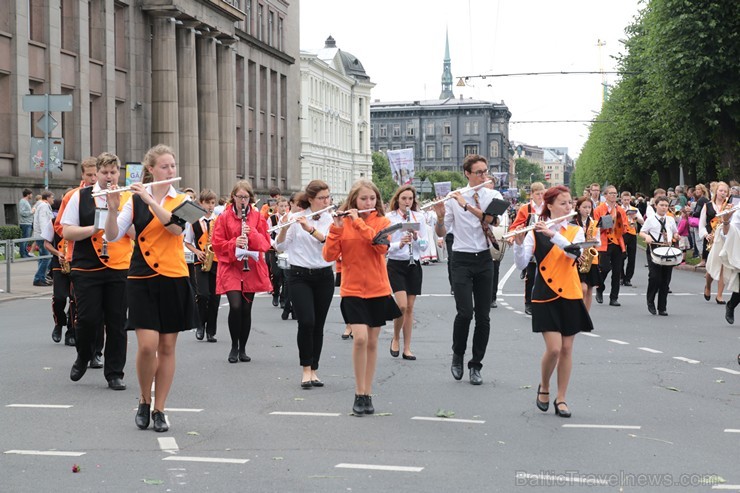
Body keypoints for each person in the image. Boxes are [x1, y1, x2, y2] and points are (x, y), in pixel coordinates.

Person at [104, 144, 197, 432]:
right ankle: (144, 400)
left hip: (173, 277)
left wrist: (150, 200)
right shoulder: (133, 202)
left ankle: (160, 409)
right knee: (147, 346)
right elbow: (112, 234)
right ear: (151, 170)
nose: (170, 171)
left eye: (173, 166)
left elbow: (176, 229)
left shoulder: (184, 200)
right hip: (142, 278)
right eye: (165, 166)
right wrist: (112, 208)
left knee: (167, 347)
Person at [513, 185, 593, 419]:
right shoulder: (534, 231)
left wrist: (552, 234)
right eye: (563, 203)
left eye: (570, 203)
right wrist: (518, 243)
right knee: (554, 348)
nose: (569, 207)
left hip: (569, 292)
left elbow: (573, 253)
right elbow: (521, 264)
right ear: (549, 206)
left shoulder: (576, 230)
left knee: (567, 348)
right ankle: (544, 386)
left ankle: (562, 398)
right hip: (544, 292)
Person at [323, 179, 401, 414]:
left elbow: (380, 247)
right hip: (352, 289)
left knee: (373, 342)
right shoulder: (341, 223)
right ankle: (359, 392)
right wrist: (336, 228)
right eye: (363, 199)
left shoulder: (383, 222)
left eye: (372, 199)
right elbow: (328, 256)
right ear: (353, 201)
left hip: (378, 288)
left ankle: (368, 393)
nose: (368, 202)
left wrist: (358, 222)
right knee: (360, 339)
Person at [62, 152, 132, 392]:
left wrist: (115, 212)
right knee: (88, 319)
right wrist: (94, 228)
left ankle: (114, 373)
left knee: (116, 322)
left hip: (119, 266)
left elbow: (134, 233)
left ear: (119, 172)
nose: (109, 177)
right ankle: (83, 355)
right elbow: (67, 232)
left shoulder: (127, 197)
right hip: (86, 266)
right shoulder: (79, 197)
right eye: (105, 172)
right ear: (97, 174)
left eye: (114, 172)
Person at [433, 155, 498, 386]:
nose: (483, 176)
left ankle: (476, 364)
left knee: (484, 316)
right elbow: (442, 232)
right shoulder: (453, 198)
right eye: (478, 172)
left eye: (485, 171)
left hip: (484, 259)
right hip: (461, 259)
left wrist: (466, 205)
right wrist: (440, 217)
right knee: (465, 313)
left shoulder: (493, 195)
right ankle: (458, 354)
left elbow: (492, 220)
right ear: (467, 174)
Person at [275, 180, 335, 388]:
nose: (326, 201)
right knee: (306, 321)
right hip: (299, 276)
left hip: (324, 276)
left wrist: (309, 229)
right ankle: (305, 369)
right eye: (322, 198)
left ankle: (315, 370)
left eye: (328, 197)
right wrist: (285, 226)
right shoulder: (296, 217)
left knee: (318, 324)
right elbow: (279, 246)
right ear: (311, 199)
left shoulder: (331, 219)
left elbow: (328, 242)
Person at [211, 180, 272, 364]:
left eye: (246, 197)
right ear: (233, 197)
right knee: (236, 306)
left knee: (246, 309)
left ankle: (243, 348)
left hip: (250, 267)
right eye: (239, 197)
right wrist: (233, 243)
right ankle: (233, 346)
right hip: (231, 265)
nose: (242, 200)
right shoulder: (224, 217)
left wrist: (251, 232)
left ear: (250, 198)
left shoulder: (257, 217)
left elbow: (265, 244)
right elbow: (217, 244)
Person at [385, 185, 427, 361]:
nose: (407, 202)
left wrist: (416, 237)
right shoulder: (389, 218)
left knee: (409, 308)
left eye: (410, 199)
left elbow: (425, 246)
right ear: (397, 200)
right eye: (404, 199)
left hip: (413, 264)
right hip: (395, 264)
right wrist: (399, 244)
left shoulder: (419, 217)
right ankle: (396, 338)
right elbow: (385, 246)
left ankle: (407, 347)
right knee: (401, 305)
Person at [185, 189, 221, 343]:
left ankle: (211, 331)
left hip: (217, 261)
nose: (210, 206)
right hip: (201, 260)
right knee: (202, 294)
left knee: (215, 297)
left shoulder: (219, 220)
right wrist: (197, 252)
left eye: (213, 203)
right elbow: (187, 241)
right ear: (201, 203)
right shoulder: (194, 221)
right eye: (207, 203)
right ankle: (200, 325)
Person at [509, 182, 545, 315]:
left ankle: (541, 302)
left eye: (542, 193)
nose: (540, 196)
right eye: (537, 194)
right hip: (530, 244)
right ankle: (528, 303)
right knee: (530, 276)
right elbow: (515, 225)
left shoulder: (548, 208)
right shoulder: (526, 208)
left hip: (544, 244)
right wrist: (514, 236)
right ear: (532, 195)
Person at [640, 196, 680, 316]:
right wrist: (646, 237)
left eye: (666, 206)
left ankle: (662, 307)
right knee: (654, 277)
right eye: (661, 205)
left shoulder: (670, 219)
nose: (664, 208)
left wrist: (676, 236)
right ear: (656, 206)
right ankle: (650, 301)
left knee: (666, 279)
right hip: (654, 249)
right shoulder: (650, 219)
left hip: (667, 249)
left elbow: (675, 231)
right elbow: (642, 232)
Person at [593, 185, 629, 306]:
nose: (614, 195)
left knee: (617, 271)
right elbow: (595, 227)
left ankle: (614, 298)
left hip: (617, 243)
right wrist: (607, 224)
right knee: (604, 268)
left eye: (615, 193)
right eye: (611, 193)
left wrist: (618, 225)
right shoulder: (599, 209)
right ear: (605, 195)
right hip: (604, 243)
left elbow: (625, 228)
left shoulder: (621, 210)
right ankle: (600, 287)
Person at [700, 181, 730, 304]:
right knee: (711, 268)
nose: (722, 193)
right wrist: (705, 235)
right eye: (720, 191)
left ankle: (719, 295)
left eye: (725, 191)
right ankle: (708, 286)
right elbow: (701, 224)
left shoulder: (729, 206)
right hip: (711, 239)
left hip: (725, 239)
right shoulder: (708, 205)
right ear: (716, 191)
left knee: (723, 266)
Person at [571, 196, 601, 310]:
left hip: (590, 258)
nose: (587, 210)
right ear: (578, 208)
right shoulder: (572, 223)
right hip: (578, 257)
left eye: (589, 207)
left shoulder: (594, 224)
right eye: (584, 207)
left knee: (589, 289)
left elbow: (599, 243)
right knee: (582, 288)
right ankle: (578, 313)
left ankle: (586, 317)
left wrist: (594, 241)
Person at [266, 197, 290, 307]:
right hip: (274, 249)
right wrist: (274, 245)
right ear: (277, 207)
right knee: (276, 274)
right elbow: (267, 234)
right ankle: (275, 293)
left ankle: (283, 299)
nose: (283, 208)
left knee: (285, 275)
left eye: (285, 206)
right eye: (281, 206)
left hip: (285, 250)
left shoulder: (290, 218)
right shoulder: (272, 219)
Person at [620, 191, 643, 286]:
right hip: (622, 234)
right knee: (621, 256)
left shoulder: (634, 209)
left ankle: (628, 278)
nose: (626, 202)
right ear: (621, 200)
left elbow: (642, 221)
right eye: (624, 200)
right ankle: (621, 276)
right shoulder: (618, 209)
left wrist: (635, 217)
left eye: (628, 200)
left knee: (632, 257)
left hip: (632, 233)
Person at [32, 191, 55, 286]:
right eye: (52, 197)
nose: (53, 199)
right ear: (48, 198)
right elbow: (43, 221)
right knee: (46, 258)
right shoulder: (44, 206)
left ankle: (42, 277)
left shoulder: (42, 205)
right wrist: (47, 235)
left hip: (40, 235)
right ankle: (38, 278)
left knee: (43, 257)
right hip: (43, 235)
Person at [18, 189, 34, 258]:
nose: (32, 195)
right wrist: (31, 212)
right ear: (28, 194)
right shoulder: (23, 201)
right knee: (24, 239)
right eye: (31, 194)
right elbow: (22, 212)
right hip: (25, 223)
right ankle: (23, 253)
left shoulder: (25, 201)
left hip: (28, 223)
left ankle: (25, 252)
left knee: (26, 239)